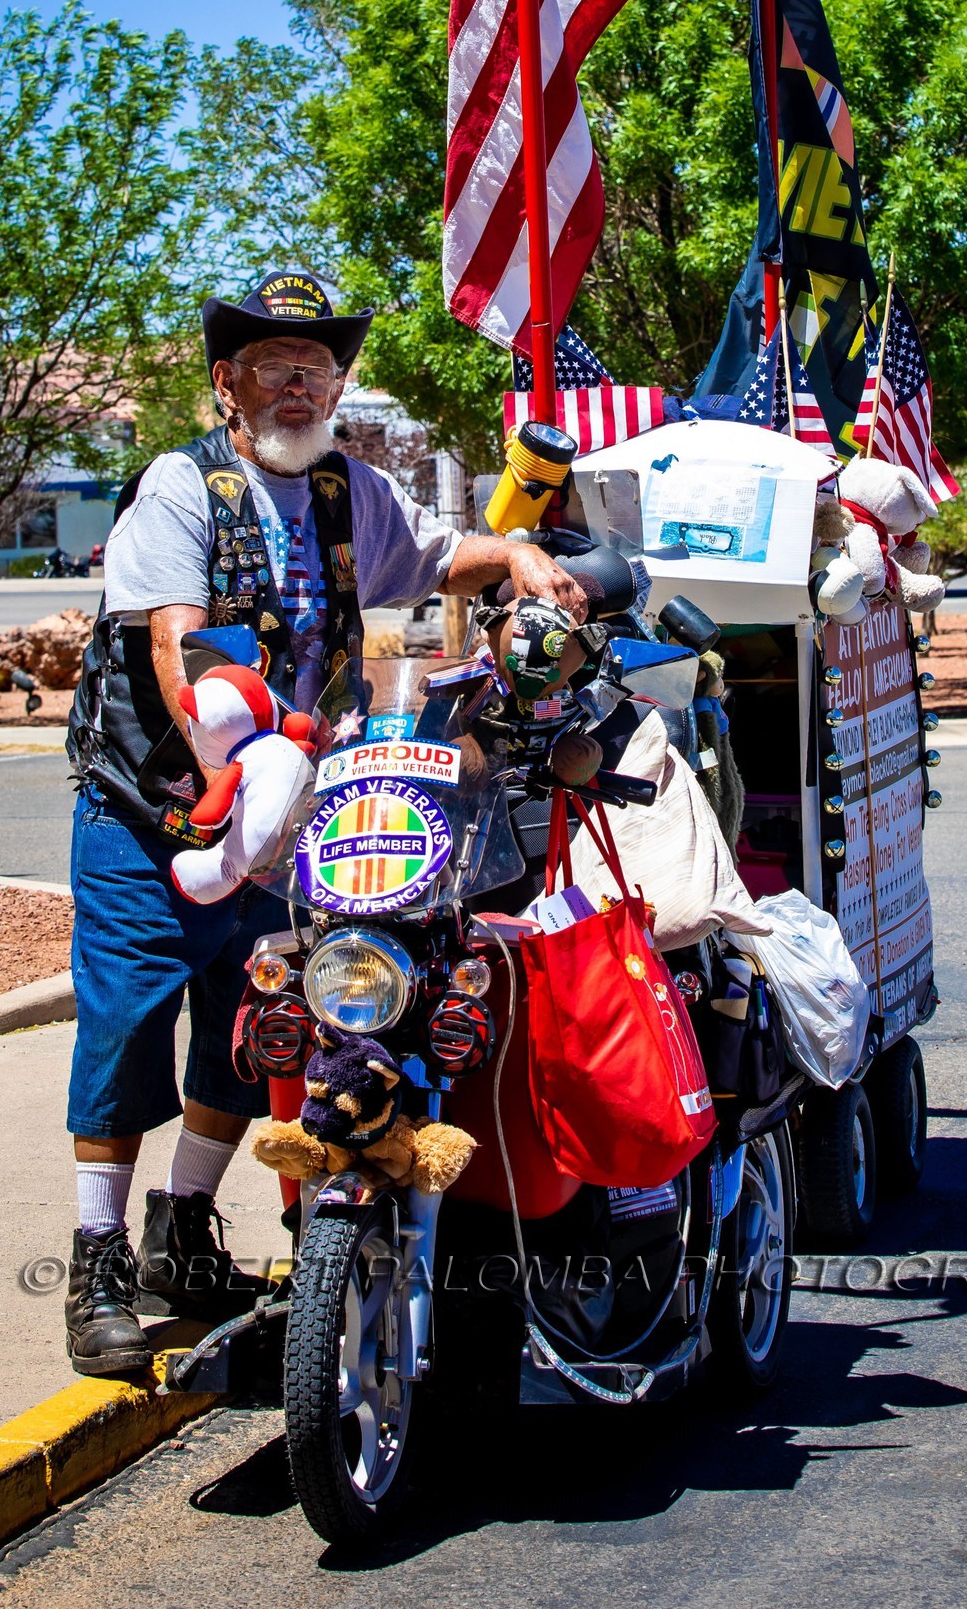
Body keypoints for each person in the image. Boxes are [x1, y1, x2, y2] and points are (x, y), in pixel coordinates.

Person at [61, 270, 586, 1374]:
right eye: (272, 368)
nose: (299, 387)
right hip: (154, 808)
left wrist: (520, 554)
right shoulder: (178, 489)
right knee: (125, 1017)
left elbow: (437, 558)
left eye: (317, 368)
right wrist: (236, 759)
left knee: (247, 1021)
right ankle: (97, 1256)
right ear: (226, 384)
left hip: (292, 811)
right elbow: (176, 645)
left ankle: (184, 1229)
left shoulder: (354, 492)